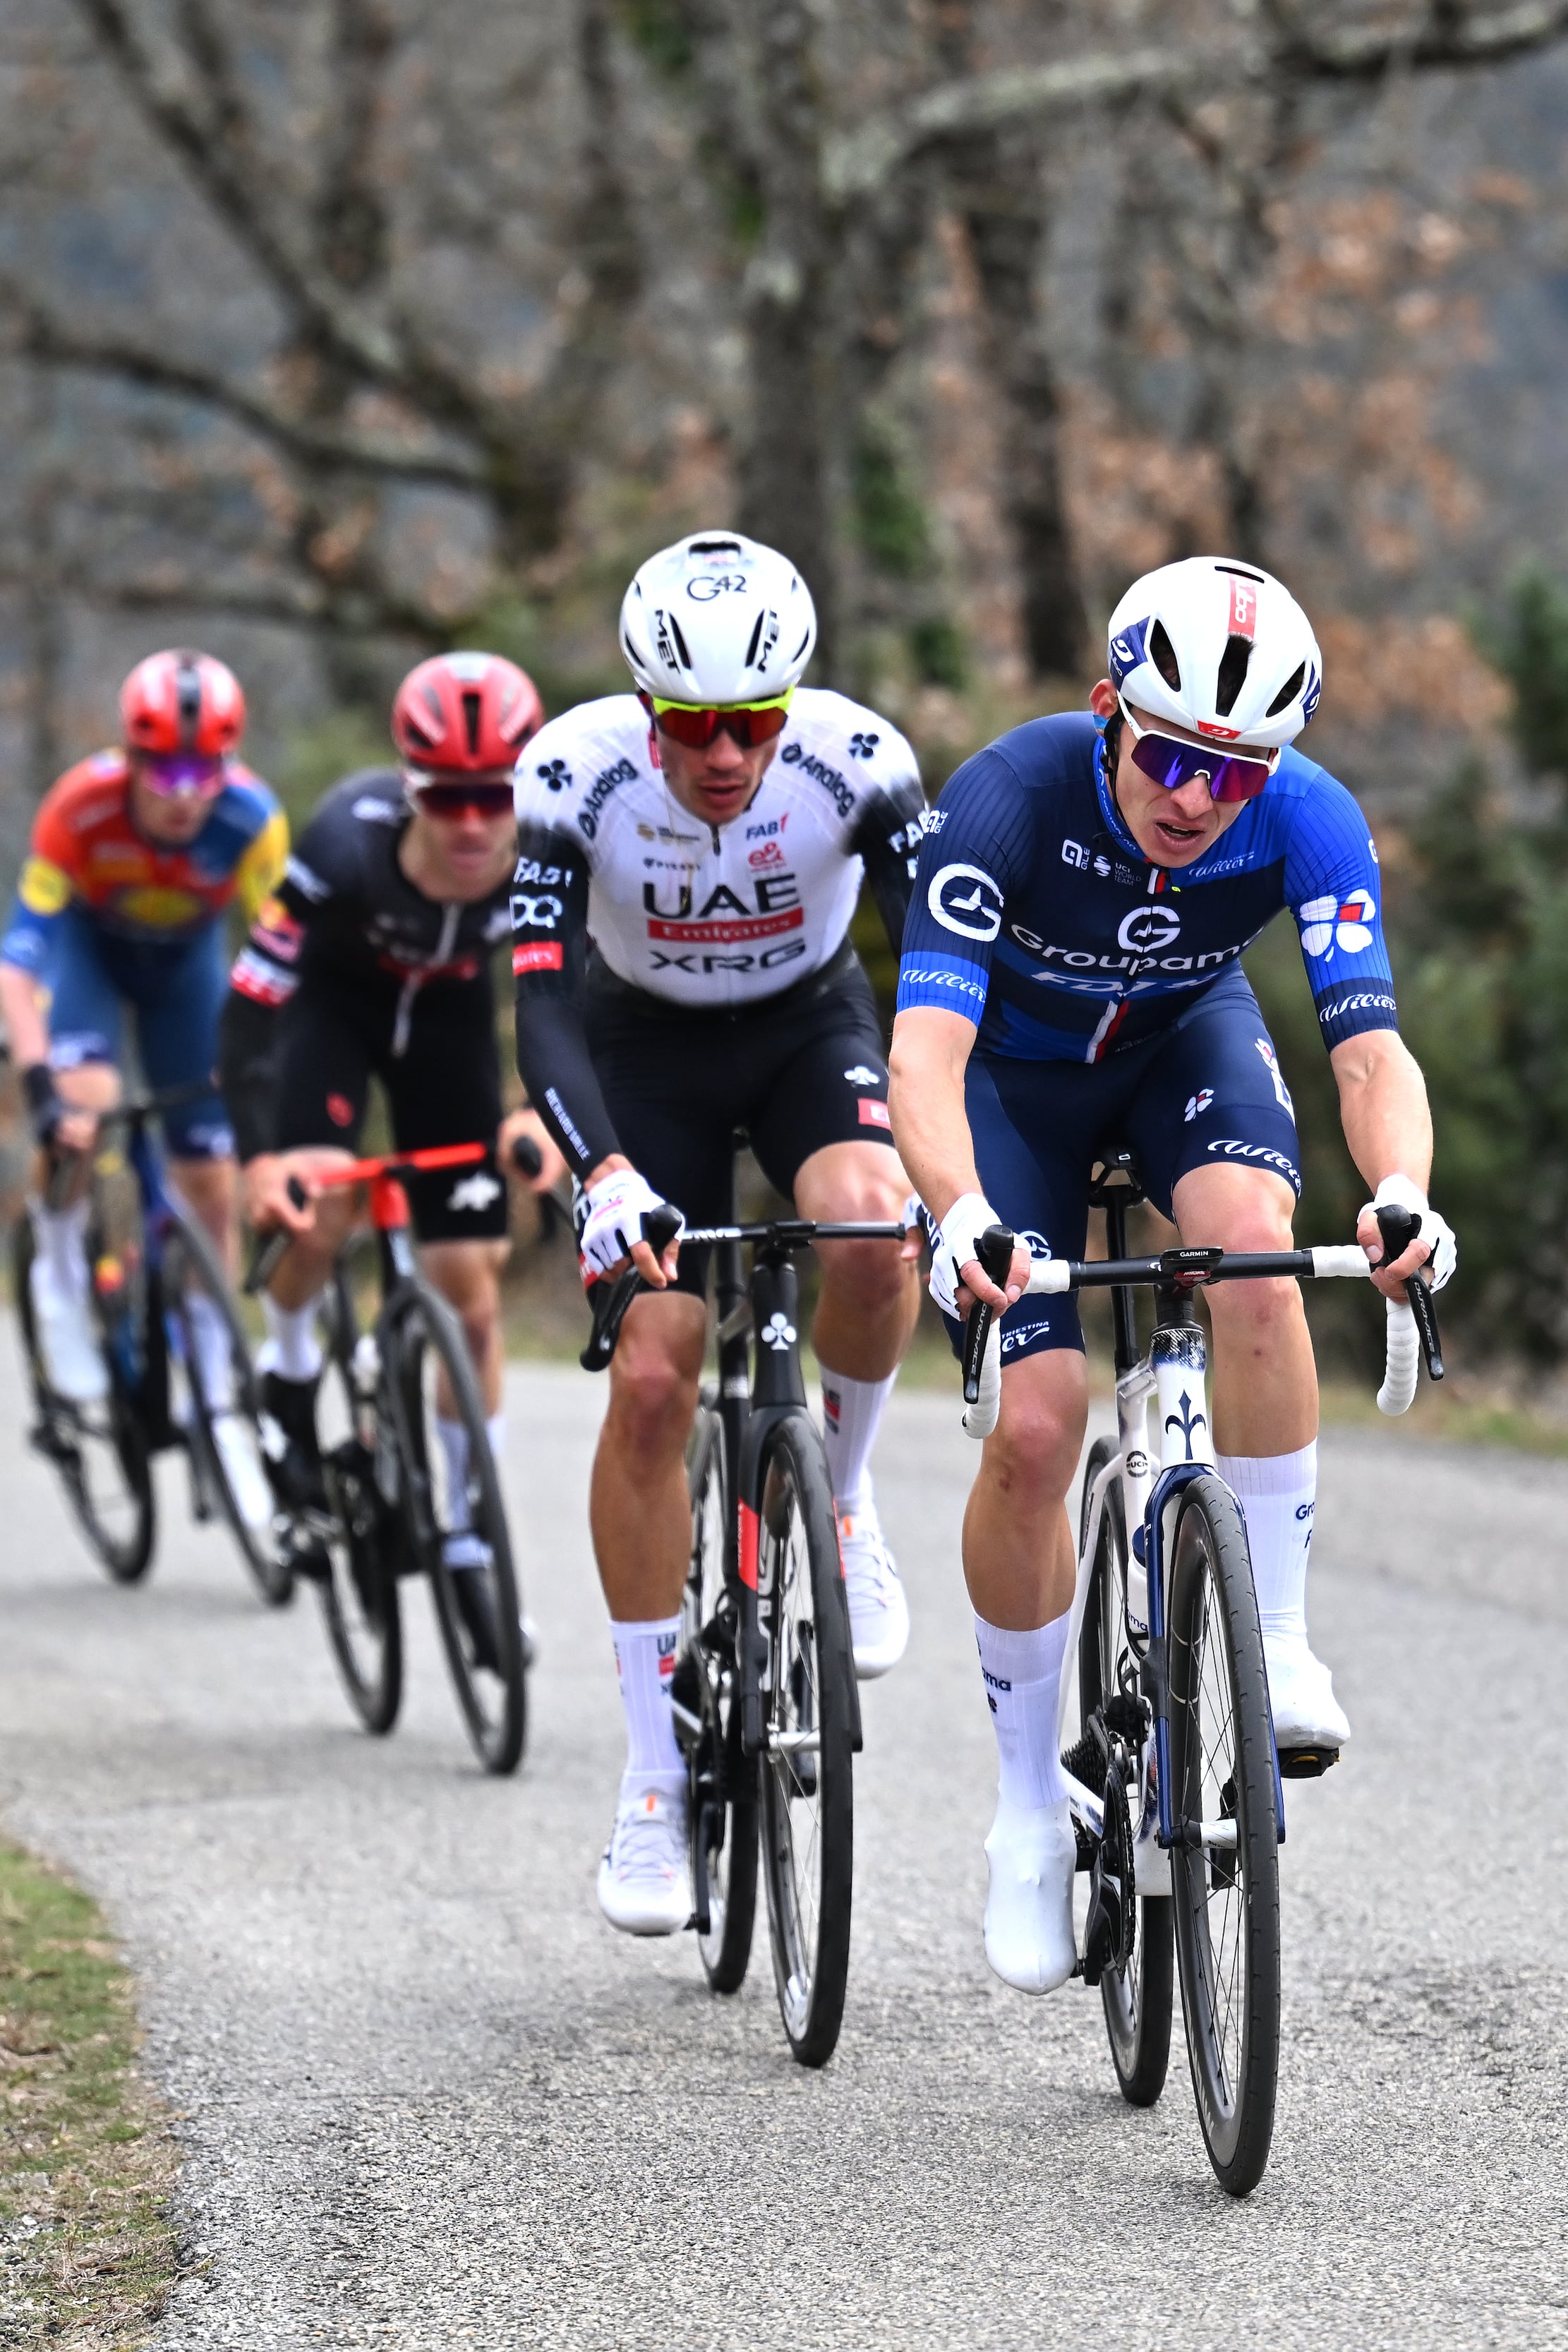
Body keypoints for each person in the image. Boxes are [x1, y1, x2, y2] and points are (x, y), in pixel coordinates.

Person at [885, 557, 1458, 1993]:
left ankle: (1278, 1637)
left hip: (1174, 1048)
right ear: (1106, 713)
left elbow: (1370, 1047)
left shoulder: (1313, 818)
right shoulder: (1006, 798)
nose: (1199, 796)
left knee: (1257, 1262)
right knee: (1034, 1420)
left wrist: (1399, 1190)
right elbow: (925, 1059)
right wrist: (955, 1214)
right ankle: (1026, 1808)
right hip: (1010, 1090)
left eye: (1235, 769)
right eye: (1171, 754)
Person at [512, 531, 933, 1937]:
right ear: (646, 708)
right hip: (645, 1058)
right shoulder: (572, 775)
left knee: (876, 1236)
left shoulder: (859, 759)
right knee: (649, 1375)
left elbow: (942, 964)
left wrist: (952, 1150)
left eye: (748, 723)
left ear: (786, 705)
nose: (719, 753)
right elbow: (540, 1003)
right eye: (687, 723)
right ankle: (647, 1770)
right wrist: (602, 1168)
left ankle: (850, 1494)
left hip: (808, 1031)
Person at [223, 652, 561, 1555]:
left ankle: (466, 1516)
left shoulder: (548, 847)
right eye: (445, 797)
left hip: (448, 1023)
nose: (473, 822)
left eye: (494, 796)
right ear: (410, 786)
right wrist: (260, 1159)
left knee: (471, 1292)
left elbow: (580, 996)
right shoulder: (340, 843)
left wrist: (542, 1110)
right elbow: (250, 1004)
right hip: (333, 1014)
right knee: (320, 1198)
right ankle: (288, 1369)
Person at [0, 649, 289, 1406]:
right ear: (129, 759)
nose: (186, 796)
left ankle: (215, 1374)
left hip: (185, 970)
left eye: (206, 772)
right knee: (84, 1102)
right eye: (165, 774)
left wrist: (269, 1054)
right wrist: (38, 1087)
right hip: (91, 955)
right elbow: (14, 968)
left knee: (210, 1181)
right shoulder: (78, 809)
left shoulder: (251, 820)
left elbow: (284, 955)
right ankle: (56, 1269)